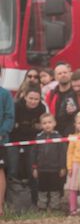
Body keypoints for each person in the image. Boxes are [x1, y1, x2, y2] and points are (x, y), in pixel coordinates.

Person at [10, 87, 45, 200]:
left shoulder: (42, 108)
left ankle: (34, 200)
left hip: (32, 141)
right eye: (31, 98)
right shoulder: (16, 106)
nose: (33, 101)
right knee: (13, 169)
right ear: (25, 97)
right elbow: (13, 126)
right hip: (14, 141)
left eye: (36, 99)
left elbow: (40, 127)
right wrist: (31, 127)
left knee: (32, 169)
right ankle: (11, 199)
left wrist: (22, 126)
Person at [31, 113, 65, 210]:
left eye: (50, 122)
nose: (47, 125)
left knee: (55, 190)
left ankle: (54, 207)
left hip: (55, 169)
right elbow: (34, 154)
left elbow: (62, 153)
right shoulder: (38, 137)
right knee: (42, 189)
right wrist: (34, 168)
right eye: (44, 123)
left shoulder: (59, 136)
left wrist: (63, 167)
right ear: (41, 125)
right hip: (42, 169)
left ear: (54, 123)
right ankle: (42, 207)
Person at [55, 69, 80, 137]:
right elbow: (60, 119)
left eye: (79, 86)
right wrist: (67, 113)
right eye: (74, 86)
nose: (76, 89)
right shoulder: (69, 97)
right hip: (72, 137)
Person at [65, 112, 80, 215]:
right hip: (75, 164)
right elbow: (69, 153)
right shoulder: (73, 137)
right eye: (79, 123)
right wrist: (69, 167)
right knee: (73, 187)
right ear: (75, 125)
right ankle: (73, 209)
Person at [0, 84, 12, 216]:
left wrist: (1, 133)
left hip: (0, 140)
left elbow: (9, 116)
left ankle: (0, 207)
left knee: (0, 170)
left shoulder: (5, 94)